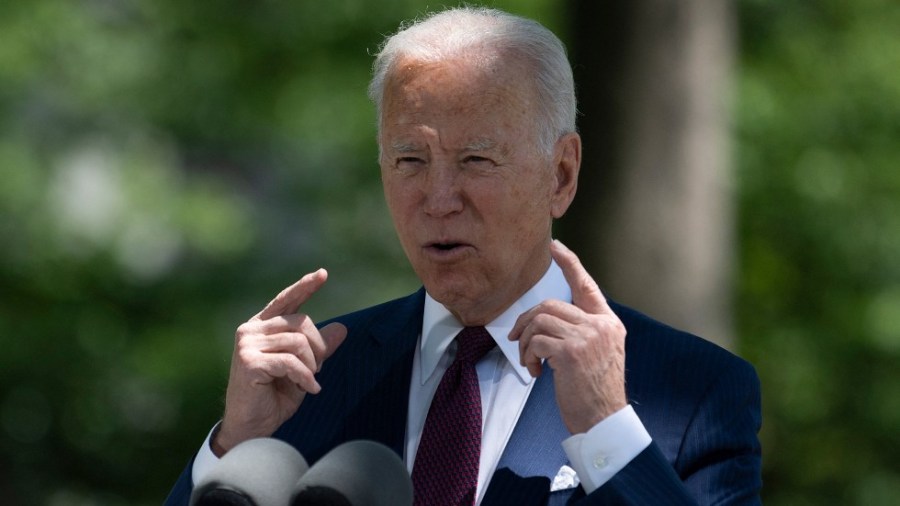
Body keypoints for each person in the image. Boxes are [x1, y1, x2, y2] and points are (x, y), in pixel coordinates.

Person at [165, 6, 761, 506]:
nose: (439, 200)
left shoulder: (690, 391)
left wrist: (608, 428)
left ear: (561, 174)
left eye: (476, 161)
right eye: (410, 162)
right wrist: (234, 444)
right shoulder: (311, 381)